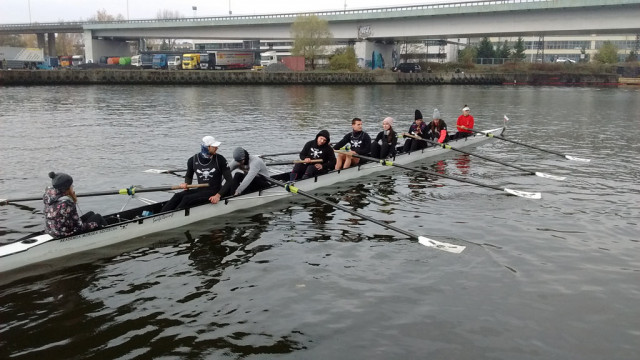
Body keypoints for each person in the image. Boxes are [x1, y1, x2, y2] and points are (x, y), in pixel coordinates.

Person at [161, 135, 233, 212]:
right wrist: (186, 185)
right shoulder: (192, 160)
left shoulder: (220, 159)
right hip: (201, 190)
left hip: (215, 192)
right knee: (177, 196)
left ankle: (170, 217)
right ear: (207, 147)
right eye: (214, 146)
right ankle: (160, 214)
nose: (217, 148)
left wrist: (218, 196)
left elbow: (229, 180)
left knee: (187, 198)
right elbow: (189, 177)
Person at [44, 171, 106, 239]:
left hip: (53, 230)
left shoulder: (50, 197)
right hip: (64, 234)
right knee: (98, 217)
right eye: (71, 186)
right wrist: (94, 224)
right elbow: (80, 227)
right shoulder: (67, 203)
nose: (72, 187)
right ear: (66, 188)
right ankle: (108, 235)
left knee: (91, 213)